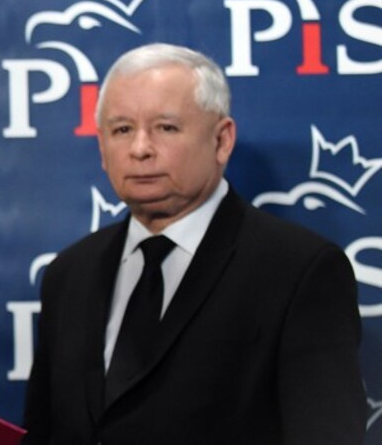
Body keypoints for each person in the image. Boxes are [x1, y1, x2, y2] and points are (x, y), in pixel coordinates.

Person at [22, 43, 366, 444]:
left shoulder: (298, 270)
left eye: (166, 127)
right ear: (101, 146)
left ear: (222, 140)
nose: (140, 148)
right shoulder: (70, 273)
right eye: (122, 129)